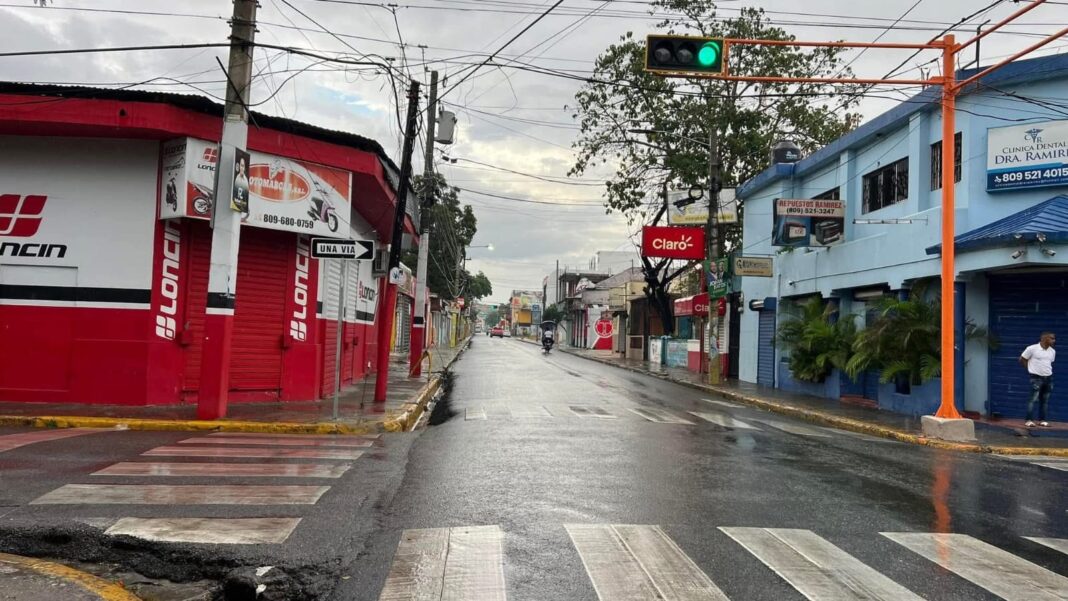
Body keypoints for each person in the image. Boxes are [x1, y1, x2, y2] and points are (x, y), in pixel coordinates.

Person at [1019, 331, 1056, 427]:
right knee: (1032, 399)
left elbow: (1049, 363)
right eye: (1051, 338)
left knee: (1045, 400)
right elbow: (1022, 359)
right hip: (1036, 378)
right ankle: (1029, 420)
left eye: (1053, 338)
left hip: (1048, 378)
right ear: (1043, 338)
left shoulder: (1052, 351)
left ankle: (1042, 420)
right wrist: (1030, 370)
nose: (1053, 340)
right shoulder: (1032, 348)